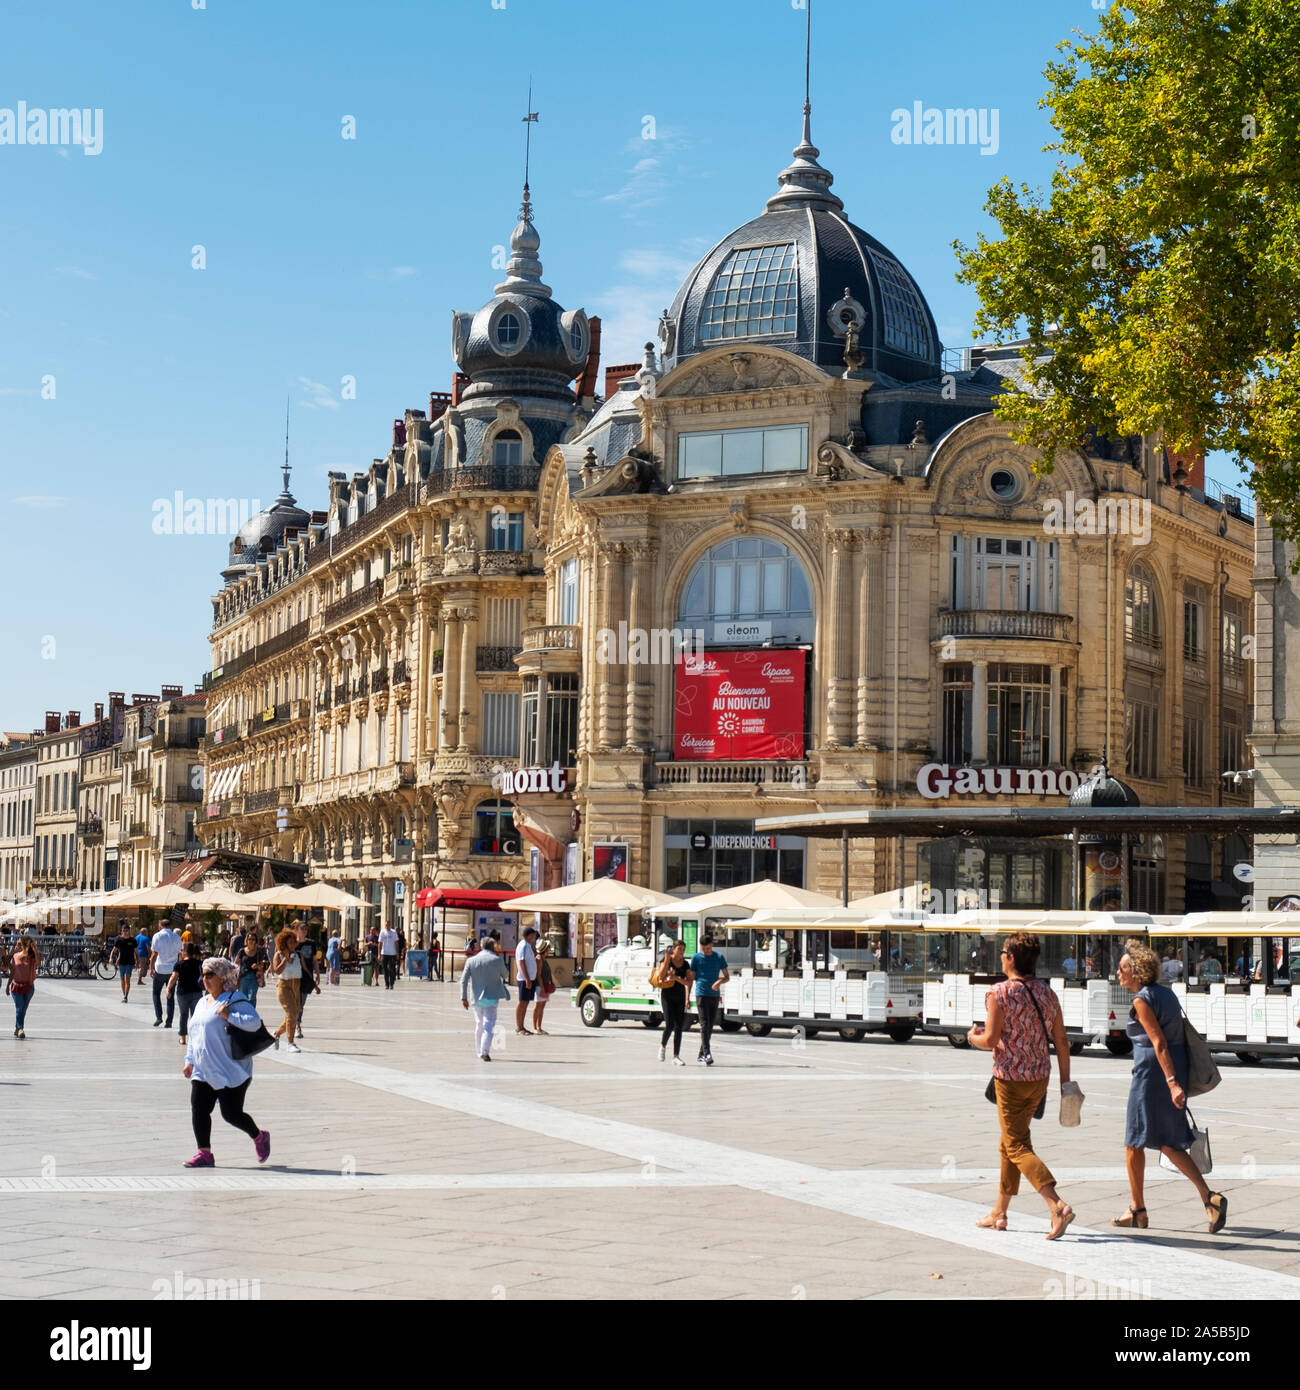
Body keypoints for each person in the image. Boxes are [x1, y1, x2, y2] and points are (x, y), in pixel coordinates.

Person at [1114, 939, 1227, 1234]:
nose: (1118, 973)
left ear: (1136, 972)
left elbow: (1158, 1042)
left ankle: (1137, 1209)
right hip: (1175, 1066)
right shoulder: (1167, 994)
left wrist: (1172, 1083)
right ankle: (1209, 1198)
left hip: (1153, 1075)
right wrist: (1175, 1079)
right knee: (1169, 1141)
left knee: (1133, 1141)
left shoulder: (1142, 999)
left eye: (1123, 968)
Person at [967, 932, 1075, 1240]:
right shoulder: (1047, 993)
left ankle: (1057, 1205)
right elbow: (1062, 1041)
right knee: (1010, 1143)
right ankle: (999, 1212)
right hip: (1039, 1078)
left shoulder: (999, 993)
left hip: (1010, 1080)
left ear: (1012, 958)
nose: (1000, 956)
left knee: (1016, 1146)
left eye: (1003, 952)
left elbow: (989, 1040)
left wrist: (970, 1036)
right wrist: (1065, 1083)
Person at [182, 956, 270, 1168]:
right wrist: (189, 1060)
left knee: (231, 1114)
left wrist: (230, 1016)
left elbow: (254, 1023)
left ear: (222, 977)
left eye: (209, 975)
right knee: (199, 1109)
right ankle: (204, 1153)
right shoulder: (202, 1002)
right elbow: (194, 1033)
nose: (205, 979)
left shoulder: (235, 1000)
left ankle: (258, 1136)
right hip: (203, 1069)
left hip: (231, 1070)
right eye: (203, 975)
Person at [459, 933, 510, 1061]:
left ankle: (479, 1051)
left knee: (479, 1023)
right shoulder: (497, 960)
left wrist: (463, 997)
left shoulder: (471, 960)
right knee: (489, 1023)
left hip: (476, 997)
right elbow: (505, 975)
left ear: (481, 946)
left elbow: (463, 980)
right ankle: (484, 1051)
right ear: (493, 947)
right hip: (492, 996)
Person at [688, 935, 730, 1066]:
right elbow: (692, 977)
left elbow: (727, 977)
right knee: (704, 1024)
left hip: (714, 995)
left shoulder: (718, 957)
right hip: (701, 993)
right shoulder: (696, 958)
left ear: (712, 945)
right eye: (703, 949)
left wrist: (719, 981)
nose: (705, 951)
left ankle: (701, 1054)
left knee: (710, 1026)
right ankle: (707, 1053)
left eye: (708, 948)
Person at [656, 939, 693, 1066]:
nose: (681, 952)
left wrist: (676, 978)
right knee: (669, 1024)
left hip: (680, 996)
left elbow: (688, 982)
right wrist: (666, 960)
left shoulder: (685, 964)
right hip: (667, 996)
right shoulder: (666, 960)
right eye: (679, 949)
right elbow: (660, 977)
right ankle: (662, 1046)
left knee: (679, 1027)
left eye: (683, 950)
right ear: (673, 949)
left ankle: (676, 1056)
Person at [270, 928, 302, 1052]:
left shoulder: (297, 954)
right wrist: (284, 959)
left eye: (294, 942)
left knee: (293, 1015)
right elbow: (277, 970)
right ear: (284, 943)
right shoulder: (278, 954)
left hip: (296, 985)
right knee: (291, 1013)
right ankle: (290, 1043)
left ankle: (276, 1034)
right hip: (284, 986)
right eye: (290, 943)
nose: (293, 944)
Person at [150, 918, 183, 1029]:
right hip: (172, 970)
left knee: (156, 993)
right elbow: (180, 954)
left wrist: (151, 968)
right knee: (170, 996)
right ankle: (169, 1022)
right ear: (169, 926)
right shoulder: (176, 937)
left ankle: (159, 1016)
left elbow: (154, 954)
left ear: (160, 926)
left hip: (160, 969)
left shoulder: (157, 936)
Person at [171, 941, 205, 1046]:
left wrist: (168, 989)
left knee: (183, 1015)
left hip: (182, 993)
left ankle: (183, 1038)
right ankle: (195, 1037)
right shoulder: (199, 964)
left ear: (185, 952)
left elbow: (173, 978)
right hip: (197, 992)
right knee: (196, 1016)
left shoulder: (179, 964)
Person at [6, 935, 40, 1038]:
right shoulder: (15, 956)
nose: (17, 944)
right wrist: (8, 985)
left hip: (29, 987)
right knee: (19, 1008)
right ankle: (21, 1028)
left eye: (20, 943)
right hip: (16, 986)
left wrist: (35, 950)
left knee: (23, 1010)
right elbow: (12, 972)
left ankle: (17, 1028)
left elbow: (38, 963)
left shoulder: (32, 957)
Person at [294, 921, 320, 1033]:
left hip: (307, 977)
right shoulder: (292, 943)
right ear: (297, 930)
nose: (305, 931)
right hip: (294, 977)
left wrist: (318, 974)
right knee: (296, 1003)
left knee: (301, 1003)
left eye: (306, 929)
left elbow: (314, 960)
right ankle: (297, 1026)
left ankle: (297, 1024)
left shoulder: (311, 943)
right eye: (302, 928)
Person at [515, 925, 539, 1034]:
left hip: (530, 979)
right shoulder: (523, 946)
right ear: (529, 936)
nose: (535, 937)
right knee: (522, 1002)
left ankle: (522, 1026)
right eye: (534, 935)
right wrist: (527, 979)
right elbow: (522, 962)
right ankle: (519, 1027)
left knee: (525, 1002)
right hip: (524, 979)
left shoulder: (528, 946)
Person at [532, 939, 556, 1035]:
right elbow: (538, 975)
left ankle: (539, 1027)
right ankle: (534, 1027)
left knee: (542, 1007)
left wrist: (551, 982)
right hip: (540, 986)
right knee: (538, 1006)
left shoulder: (544, 959)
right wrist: (542, 988)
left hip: (545, 985)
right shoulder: (539, 959)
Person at [109, 921, 137, 1002]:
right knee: (122, 979)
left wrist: (137, 962)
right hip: (121, 962)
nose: (125, 932)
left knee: (127, 978)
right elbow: (114, 950)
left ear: (129, 931)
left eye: (126, 931)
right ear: (121, 931)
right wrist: (111, 958)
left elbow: (136, 952)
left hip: (130, 962)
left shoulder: (133, 940)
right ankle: (124, 993)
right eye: (123, 931)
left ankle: (126, 996)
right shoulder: (119, 940)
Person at [236, 931, 266, 1007]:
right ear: (247, 940)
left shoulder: (259, 951)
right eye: (249, 939)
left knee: (252, 997)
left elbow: (263, 963)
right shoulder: (242, 951)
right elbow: (235, 963)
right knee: (243, 998)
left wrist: (257, 965)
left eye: (253, 939)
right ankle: (244, 1014)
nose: (251, 941)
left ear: (256, 941)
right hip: (243, 977)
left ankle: (251, 1015)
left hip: (254, 977)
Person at [379, 921, 400, 990]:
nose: (387, 926)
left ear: (390, 925)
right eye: (386, 925)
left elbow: (396, 943)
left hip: (392, 953)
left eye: (388, 925)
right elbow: (380, 943)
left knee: (392, 969)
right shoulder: (382, 932)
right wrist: (379, 954)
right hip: (384, 953)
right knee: (385, 970)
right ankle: (386, 984)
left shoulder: (393, 932)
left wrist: (397, 953)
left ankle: (391, 983)